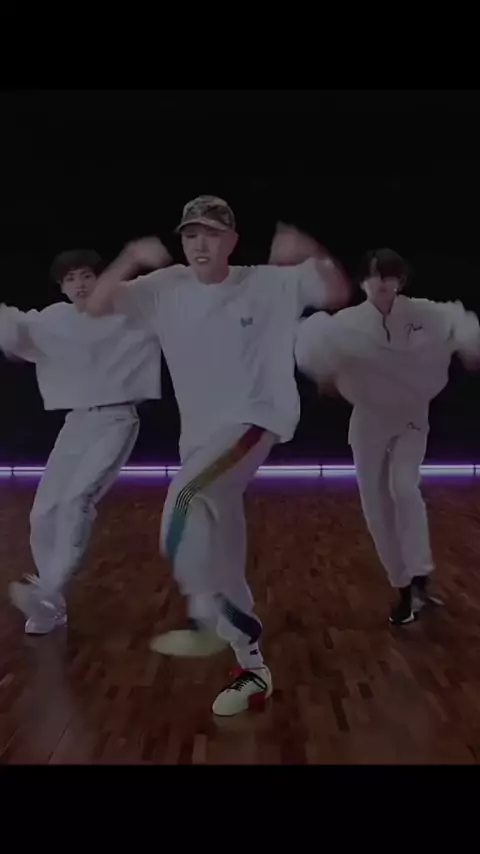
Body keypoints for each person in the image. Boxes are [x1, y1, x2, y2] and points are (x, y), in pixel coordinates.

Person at [85, 195, 350, 716]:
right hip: (202, 442)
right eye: (190, 235)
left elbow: (338, 291)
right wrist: (132, 256)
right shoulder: (165, 288)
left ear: (232, 240)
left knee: (184, 497)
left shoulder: (270, 283)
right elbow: (97, 305)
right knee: (223, 556)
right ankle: (252, 666)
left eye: (211, 233)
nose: (199, 243)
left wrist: (308, 247)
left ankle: (203, 616)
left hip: (254, 420)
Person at [295, 247, 480, 625]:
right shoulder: (347, 324)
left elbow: (459, 320)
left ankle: (421, 576)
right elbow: (312, 341)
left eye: (389, 275)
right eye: (375, 275)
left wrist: (468, 345)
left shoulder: (423, 313)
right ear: (364, 282)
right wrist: (323, 371)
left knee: (404, 487)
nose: (382, 282)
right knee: (376, 504)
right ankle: (403, 586)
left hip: (411, 417)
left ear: (400, 280)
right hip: (369, 421)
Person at [0, 249, 162, 634]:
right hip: (76, 424)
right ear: (62, 287)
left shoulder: (132, 308)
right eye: (71, 279)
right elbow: (12, 328)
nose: (80, 284)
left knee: (77, 500)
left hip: (117, 419)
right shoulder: (52, 320)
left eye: (87, 275)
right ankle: (51, 604)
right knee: (43, 513)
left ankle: (48, 591)